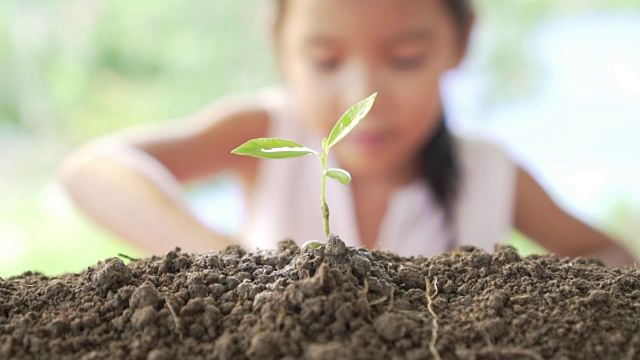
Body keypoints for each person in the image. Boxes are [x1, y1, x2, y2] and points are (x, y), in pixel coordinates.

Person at [58, 0, 635, 266]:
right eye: (326, 60)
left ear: (459, 44)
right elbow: (95, 168)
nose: (362, 95)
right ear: (281, 46)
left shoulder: (489, 171)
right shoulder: (265, 133)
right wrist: (224, 261)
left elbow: (608, 254)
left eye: (406, 58)